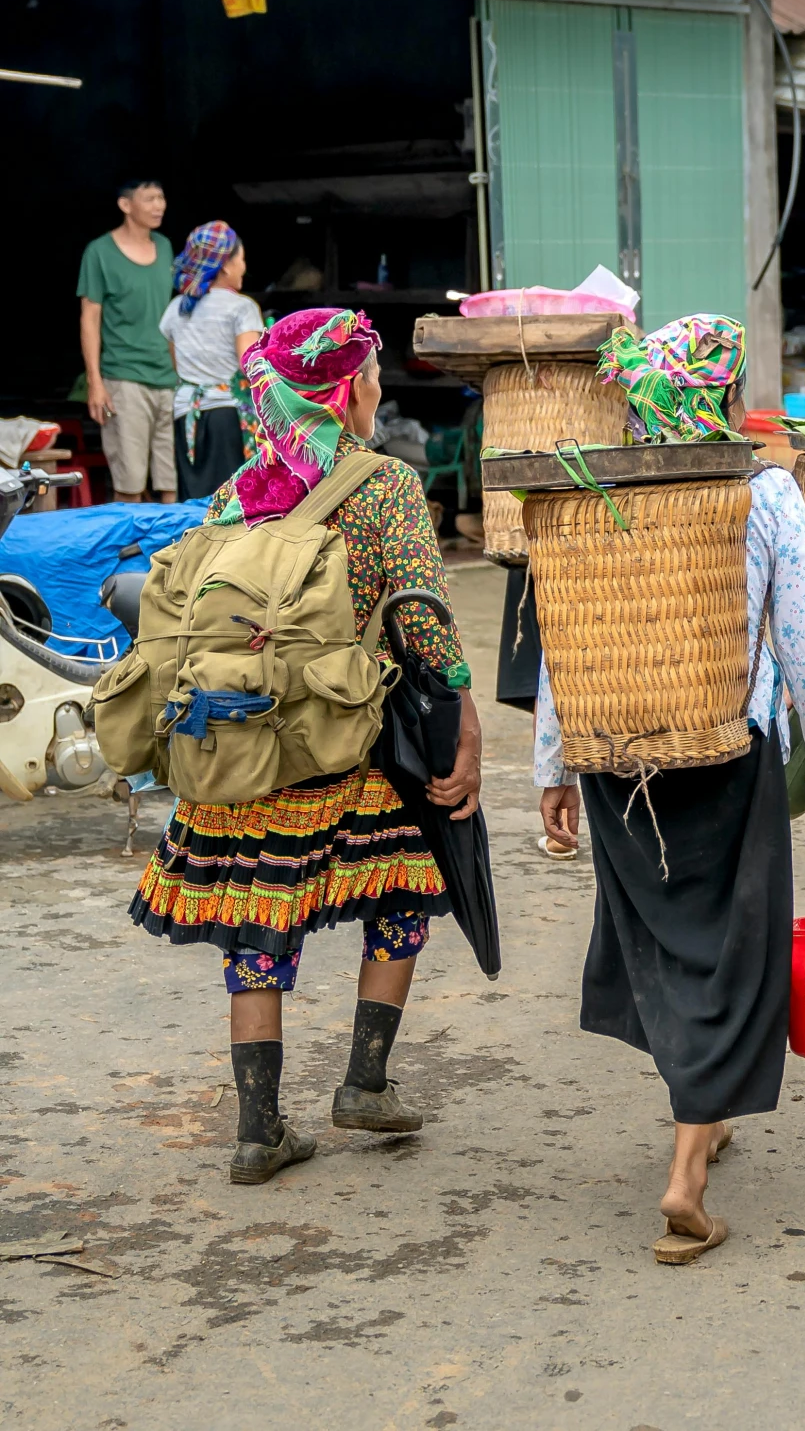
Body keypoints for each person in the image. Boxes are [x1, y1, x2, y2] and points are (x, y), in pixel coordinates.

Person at [536, 315, 805, 1268]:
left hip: (615, 759)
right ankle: (687, 1176)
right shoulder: (761, 492)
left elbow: (568, 631)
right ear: (720, 395)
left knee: (664, 940)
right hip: (727, 751)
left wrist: (555, 764)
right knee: (730, 952)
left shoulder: (591, 489)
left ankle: (702, 1120)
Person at [130, 308, 483, 1185]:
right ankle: (363, 1082)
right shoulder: (385, 485)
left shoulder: (232, 492)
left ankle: (259, 1130)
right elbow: (423, 626)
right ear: (342, 389)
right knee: (403, 890)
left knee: (257, 926)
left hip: (236, 749)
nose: (374, 391)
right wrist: (463, 717)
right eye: (366, 377)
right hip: (338, 747)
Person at [78, 179, 179, 502]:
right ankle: (126, 552)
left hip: (168, 379)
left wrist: (182, 375)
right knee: (129, 483)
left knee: (171, 483)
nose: (158, 205)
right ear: (125, 205)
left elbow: (171, 316)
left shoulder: (164, 246)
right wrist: (95, 382)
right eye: (149, 198)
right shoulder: (100, 252)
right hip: (124, 378)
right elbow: (90, 318)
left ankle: (175, 552)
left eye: (161, 197)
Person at [159, 222, 263, 499]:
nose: (244, 266)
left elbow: (178, 366)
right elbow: (249, 365)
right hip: (227, 415)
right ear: (226, 266)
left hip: (186, 414)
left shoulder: (176, 308)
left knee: (195, 497)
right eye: (241, 259)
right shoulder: (242, 307)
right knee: (230, 501)